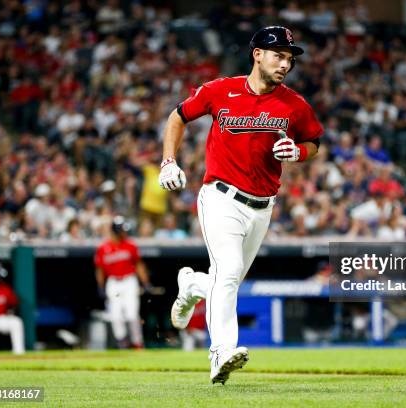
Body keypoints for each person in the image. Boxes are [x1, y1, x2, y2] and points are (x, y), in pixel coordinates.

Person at [159, 26, 322, 384]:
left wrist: (298, 152)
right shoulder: (220, 90)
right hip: (220, 196)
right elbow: (178, 117)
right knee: (229, 271)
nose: (286, 63)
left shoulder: (294, 104)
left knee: (224, 282)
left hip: (263, 206)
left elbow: (314, 141)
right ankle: (220, 353)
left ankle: (190, 287)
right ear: (257, 54)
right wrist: (169, 160)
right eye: (279, 55)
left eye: (290, 58)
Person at [94, 215, 152, 349]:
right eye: (121, 230)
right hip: (113, 283)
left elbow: (139, 265)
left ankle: (137, 342)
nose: (124, 232)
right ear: (114, 230)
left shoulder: (130, 244)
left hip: (129, 281)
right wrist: (100, 286)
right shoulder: (103, 248)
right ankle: (122, 343)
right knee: (115, 316)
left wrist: (145, 282)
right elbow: (100, 269)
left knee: (132, 315)